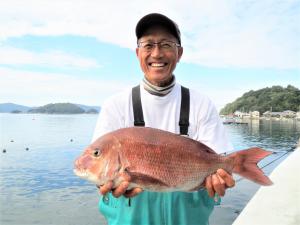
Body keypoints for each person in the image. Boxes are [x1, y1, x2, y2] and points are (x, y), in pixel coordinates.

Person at [92, 13, 235, 225]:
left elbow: (218, 166)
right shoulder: (115, 105)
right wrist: (104, 183)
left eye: (166, 44)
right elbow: (101, 165)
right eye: (148, 44)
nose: (157, 54)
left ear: (179, 53)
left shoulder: (201, 104)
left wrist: (220, 178)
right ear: (138, 52)